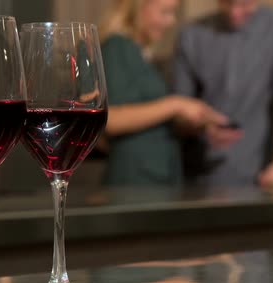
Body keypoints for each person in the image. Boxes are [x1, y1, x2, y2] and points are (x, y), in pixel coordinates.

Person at [99, 0, 240, 187]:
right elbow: (110, 119)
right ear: (139, 7)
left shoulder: (138, 53)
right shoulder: (117, 46)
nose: (171, 21)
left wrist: (199, 125)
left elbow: (150, 119)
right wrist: (177, 105)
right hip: (135, 181)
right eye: (165, 12)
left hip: (157, 177)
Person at [175, 0, 273, 187]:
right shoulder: (191, 35)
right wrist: (202, 126)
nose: (235, 13)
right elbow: (180, 107)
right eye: (227, 3)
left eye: (245, 4)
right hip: (201, 176)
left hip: (261, 176)